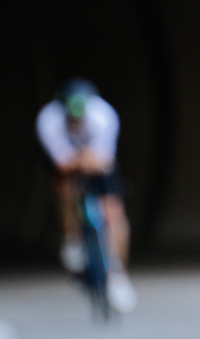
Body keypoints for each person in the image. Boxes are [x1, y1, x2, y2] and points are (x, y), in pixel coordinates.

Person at [36, 78, 137, 312]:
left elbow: (104, 161)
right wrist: (79, 160)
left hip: (96, 163)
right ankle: (72, 238)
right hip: (69, 164)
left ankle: (118, 274)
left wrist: (83, 159)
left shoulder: (104, 116)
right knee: (64, 188)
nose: (76, 122)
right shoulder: (49, 120)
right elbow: (61, 164)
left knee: (113, 210)